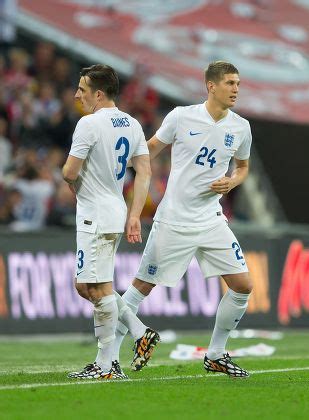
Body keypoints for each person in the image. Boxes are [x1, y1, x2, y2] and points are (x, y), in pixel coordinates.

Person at [115, 61, 253, 377]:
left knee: (243, 285)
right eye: (230, 83)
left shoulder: (240, 127)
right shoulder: (181, 116)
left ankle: (216, 354)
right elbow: (149, 149)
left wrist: (232, 181)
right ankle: (109, 357)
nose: (235, 89)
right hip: (174, 220)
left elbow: (243, 167)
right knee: (139, 289)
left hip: (211, 219)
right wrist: (119, 169)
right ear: (211, 86)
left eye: (238, 84)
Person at [62, 64, 159, 380]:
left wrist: (74, 185)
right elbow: (144, 171)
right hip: (116, 211)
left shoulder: (88, 124)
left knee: (97, 287)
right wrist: (134, 215)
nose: (78, 94)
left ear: (98, 93)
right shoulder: (131, 124)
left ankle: (106, 366)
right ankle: (138, 330)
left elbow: (68, 172)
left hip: (94, 214)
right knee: (85, 284)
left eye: (82, 89)